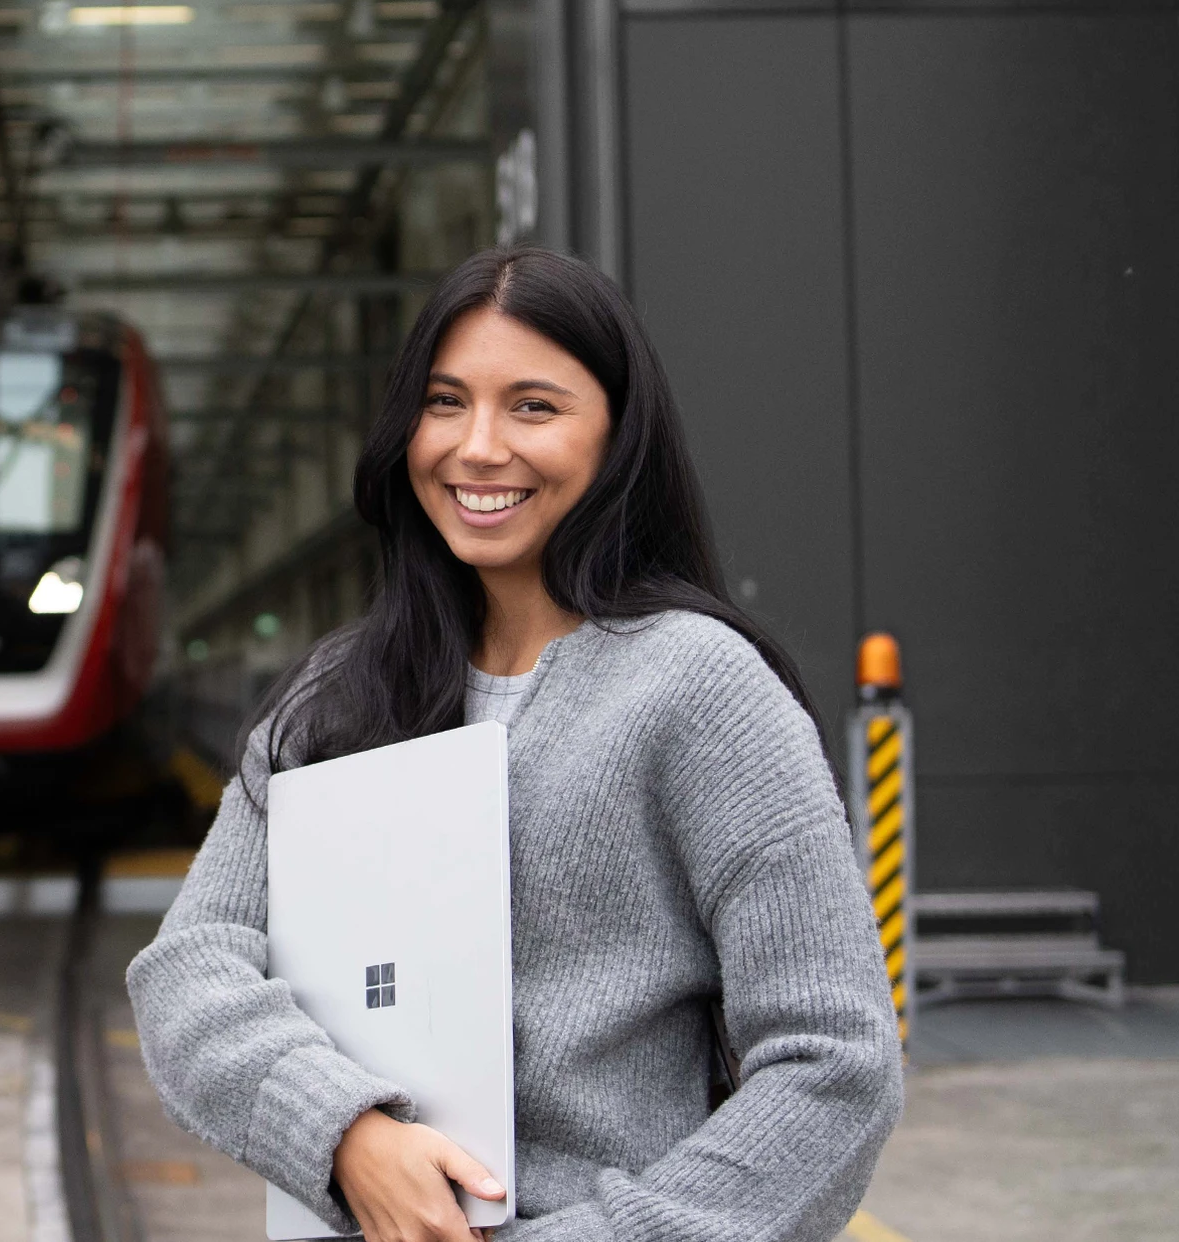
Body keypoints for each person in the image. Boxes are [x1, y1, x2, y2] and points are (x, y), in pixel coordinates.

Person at [127, 246, 903, 1241]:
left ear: (617, 437)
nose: (477, 447)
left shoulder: (700, 691)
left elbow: (833, 1065)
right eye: (444, 403)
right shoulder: (336, 692)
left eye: (532, 407)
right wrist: (343, 1132)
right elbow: (187, 966)